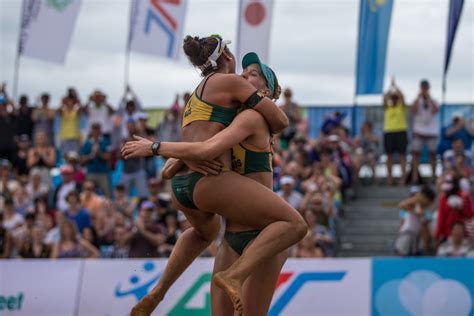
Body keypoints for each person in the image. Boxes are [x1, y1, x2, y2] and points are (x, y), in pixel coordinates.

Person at [123, 41, 305, 315]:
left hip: (256, 235)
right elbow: (187, 157)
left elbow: (177, 164)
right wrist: (179, 157)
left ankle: (168, 289)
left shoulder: (251, 118)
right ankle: (232, 275)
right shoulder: (235, 119)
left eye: (252, 73)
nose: (243, 76)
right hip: (237, 235)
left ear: (265, 91)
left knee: (210, 233)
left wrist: (161, 150)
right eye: (243, 73)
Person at [411, 80, 439, 183]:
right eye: (423, 88)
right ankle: (415, 177)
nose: (424, 90)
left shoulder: (433, 100)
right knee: (415, 154)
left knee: (432, 154)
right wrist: (418, 97)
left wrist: (429, 98)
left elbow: (435, 110)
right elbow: (412, 110)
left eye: (426, 88)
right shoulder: (417, 101)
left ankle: (433, 175)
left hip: (431, 131)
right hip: (419, 130)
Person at [394, 186, 436, 256]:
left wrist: (426, 244)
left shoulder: (427, 210)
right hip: (408, 234)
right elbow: (401, 205)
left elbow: (425, 226)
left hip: (418, 238)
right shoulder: (414, 204)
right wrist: (415, 210)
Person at [383, 79, 408, 185]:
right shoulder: (387, 107)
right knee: (389, 156)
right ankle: (390, 178)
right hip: (389, 132)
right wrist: (390, 87)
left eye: (395, 98)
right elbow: (384, 98)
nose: (394, 99)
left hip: (400, 132)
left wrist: (396, 86)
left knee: (402, 156)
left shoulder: (401, 106)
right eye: (392, 98)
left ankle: (403, 179)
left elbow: (402, 96)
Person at [435, 176, 473, 244]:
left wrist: (461, 209)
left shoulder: (464, 196)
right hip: (448, 234)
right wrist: (439, 234)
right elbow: (441, 218)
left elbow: (470, 215)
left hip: (464, 234)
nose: (447, 191)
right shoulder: (443, 198)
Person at [80, 123, 112, 197]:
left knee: (107, 195)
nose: (96, 131)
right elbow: (82, 160)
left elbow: (108, 156)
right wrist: (91, 155)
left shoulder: (105, 141)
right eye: (94, 129)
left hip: (103, 173)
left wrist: (99, 154)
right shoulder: (87, 143)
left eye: (97, 129)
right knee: (88, 194)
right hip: (91, 172)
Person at [58, 88, 84, 154]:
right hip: (64, 137)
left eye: (71, 101)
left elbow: (82, 107)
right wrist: (63, 101)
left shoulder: (76, 111)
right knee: (64, 156)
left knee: (74, 156)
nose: (70, 102)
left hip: (75, 137)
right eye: (68, 101)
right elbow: (59, 109)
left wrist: (77, 97)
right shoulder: (63, 111)